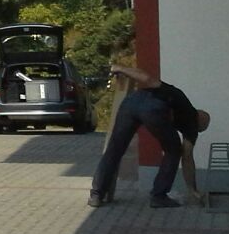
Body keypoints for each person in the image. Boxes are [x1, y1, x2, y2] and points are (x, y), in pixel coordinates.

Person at [89, 64, 211, 209]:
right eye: (200, 129)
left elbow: (148, 79)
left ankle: (96, 195)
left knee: (115, 148)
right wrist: (192, 190)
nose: (197, 131)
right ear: (200, 121)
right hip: (153, 109)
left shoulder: (179, 97)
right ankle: (159, 196)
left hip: (131, 102)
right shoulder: (191, 124)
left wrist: (120, 69)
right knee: (173, 151)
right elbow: (187, 157)